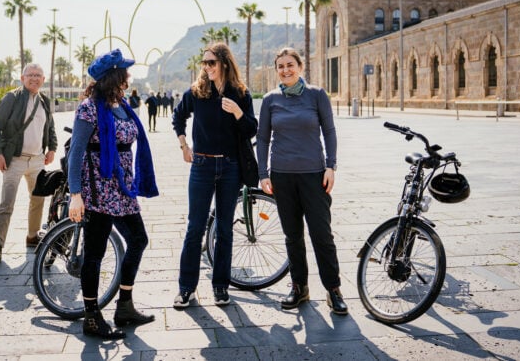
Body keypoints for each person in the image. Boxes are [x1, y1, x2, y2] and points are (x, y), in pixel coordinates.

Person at [67, 49, 159, 339]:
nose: (128, 76)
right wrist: (75, 194)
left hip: (122, 189)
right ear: (114, 76)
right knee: (94, 254)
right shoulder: (89, 108)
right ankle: (92, 317)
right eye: (125, 72)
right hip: (97, 189)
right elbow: (76, 153)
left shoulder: (121, 104)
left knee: (139, 240)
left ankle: (124, 306)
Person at [256, 47, 347, 315]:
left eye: (290, 65)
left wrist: (331, 166)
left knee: (322, 235)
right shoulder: (270, 100)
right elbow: (263, 138)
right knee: (292, 236)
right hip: (282, 176)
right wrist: (263, 173)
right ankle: (299, 288)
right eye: (281, 66)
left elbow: (329, 131)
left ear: (300, 67)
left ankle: (333, 290)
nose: (285, 70)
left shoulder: (317, 95)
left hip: (314, 175)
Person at [171, 42, 257, 308]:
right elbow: (178, 117)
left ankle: (220, 287)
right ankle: (186, 288)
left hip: (231, 168)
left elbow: (251, 129)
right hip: (202, 167)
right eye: (204, 63)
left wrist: (238, 112)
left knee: (224, 230)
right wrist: (184, 145)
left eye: (211, 62)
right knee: (194, 228)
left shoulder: (240, 93)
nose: (206, 67)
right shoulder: (197, 92)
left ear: (224, 64)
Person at [0, 63, 57, 262]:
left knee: (38, 200)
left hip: (37, 160)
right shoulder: (12, 97)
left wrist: (52, 148)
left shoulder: (44, 100)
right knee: (6, 205)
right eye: (30, 75)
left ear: (43, 80)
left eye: (38, 75)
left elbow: (50, 127)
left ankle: (32, 236)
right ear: (22, 78)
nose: (34, 78)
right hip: (15, 160)